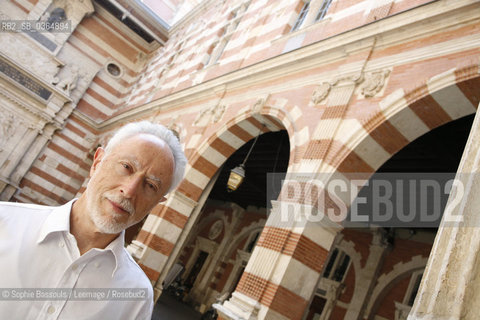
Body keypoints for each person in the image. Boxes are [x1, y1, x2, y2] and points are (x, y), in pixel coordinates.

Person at [0, 121, 187, 319]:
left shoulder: (137, 297)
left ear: (157, 202)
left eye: (150, 185)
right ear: (97, 163)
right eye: (126, 167)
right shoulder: (5, 223)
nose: (129, 191)